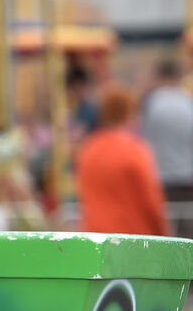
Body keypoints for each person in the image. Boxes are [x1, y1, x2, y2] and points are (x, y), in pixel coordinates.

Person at [76, 84, 170, 237]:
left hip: (96, 236)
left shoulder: (87, 149)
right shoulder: (135, 150)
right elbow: (150, 200)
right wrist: (162, 233)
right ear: (129, 114)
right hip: (132, 238)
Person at [140, 59, 193, 216]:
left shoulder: (151, 103)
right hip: (187, 176)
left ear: (160, 76)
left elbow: (145, 139)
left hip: (159, 177)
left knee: (163, 233)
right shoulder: (188, 102)